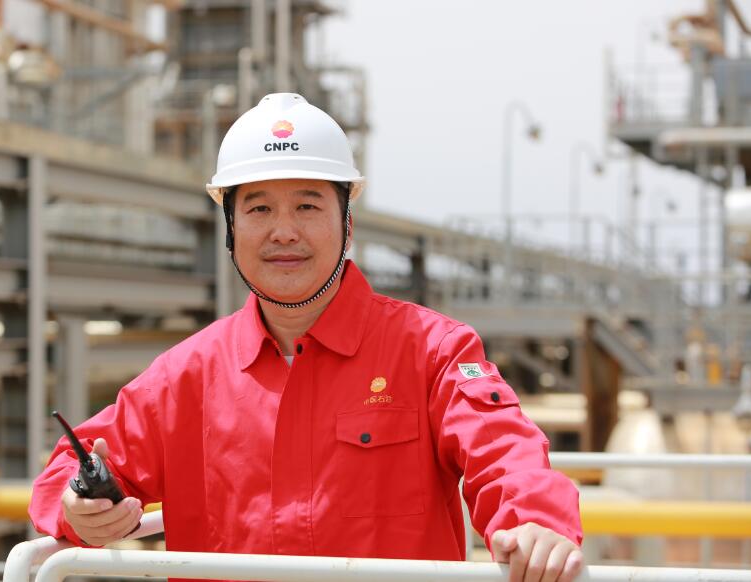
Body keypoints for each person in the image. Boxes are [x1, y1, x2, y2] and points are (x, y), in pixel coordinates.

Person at [29, 93, 584, 582]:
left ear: (347, 222)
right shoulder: (187, 377)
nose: (284, 231)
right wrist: (79, 507)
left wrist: (533, 523)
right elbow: (71, 472)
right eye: (259, 208)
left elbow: (502, 452)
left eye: (307, 205)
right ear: (231, 229)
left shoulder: (432, 351)